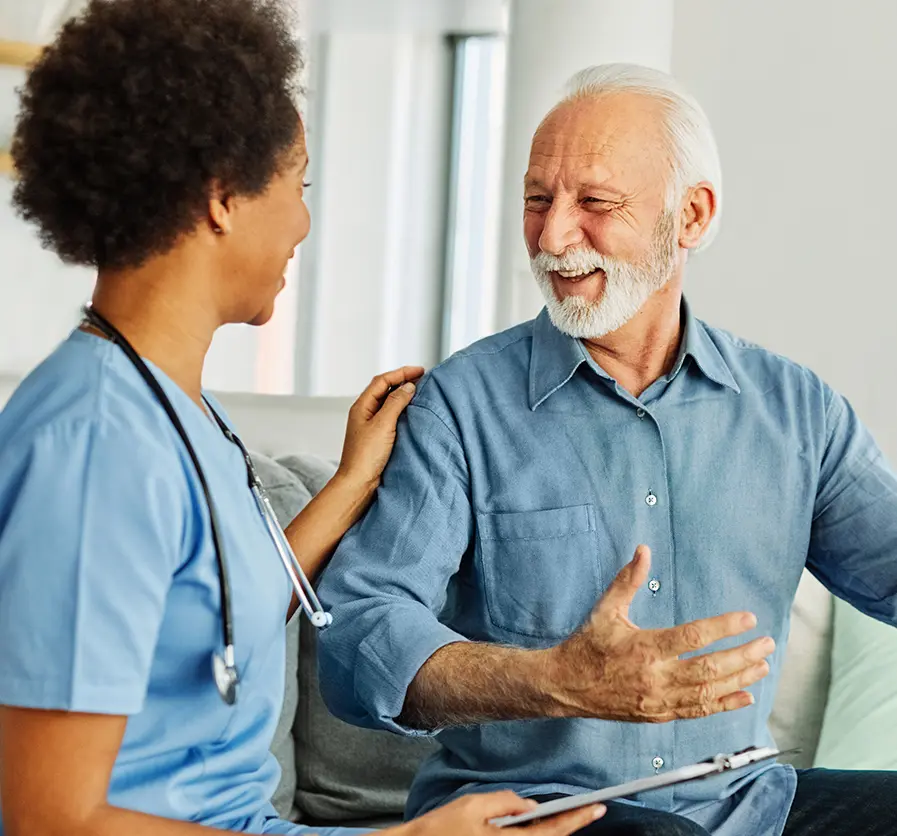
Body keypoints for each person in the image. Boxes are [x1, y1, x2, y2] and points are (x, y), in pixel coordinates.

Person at [0, 2, 606, 836]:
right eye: (298, 184)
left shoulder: (169, 407)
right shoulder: (96, 446)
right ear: (221, 196)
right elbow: (51, 821)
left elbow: (223, 605)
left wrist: (355, 478)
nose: (303, 224)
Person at [316, 63, 897, 836]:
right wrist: (551, 682)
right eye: (536, 200)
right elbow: (358, 636)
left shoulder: (795, 411)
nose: (554, 236)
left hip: (744, 800)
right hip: (540, 811)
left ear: (689, 217)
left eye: (593, 203)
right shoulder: (460, 405)